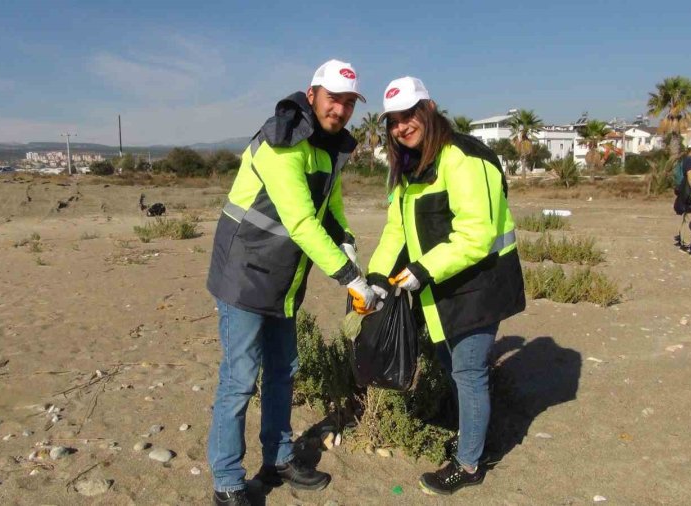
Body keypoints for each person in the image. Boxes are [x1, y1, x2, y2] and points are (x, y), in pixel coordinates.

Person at [205, 59, 378, 505]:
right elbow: (300, 221)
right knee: (240, 379)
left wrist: (346, 238)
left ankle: (278, 459)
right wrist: (349, 278)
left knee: (283, 371)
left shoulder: (330, 146)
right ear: (312, 93)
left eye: (348, 103)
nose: (339, 110)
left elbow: (330, 203)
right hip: (244, 275)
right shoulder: (283, 140)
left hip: (283, 279)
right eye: (333, 99)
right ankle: (226, 482)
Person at [364, 76, 525, 495]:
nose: (402, 126)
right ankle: (470, 435)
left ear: (430, 108)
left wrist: (421, 270)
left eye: (409, 114)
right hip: (439, 289)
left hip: (478, 286)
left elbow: (477, 234)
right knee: (453, 368)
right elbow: (395, 229)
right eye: (394, 121)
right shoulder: (409, 167)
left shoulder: (463, 157)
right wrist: (377, 278)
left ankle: (469, 464)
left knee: (468, 371)